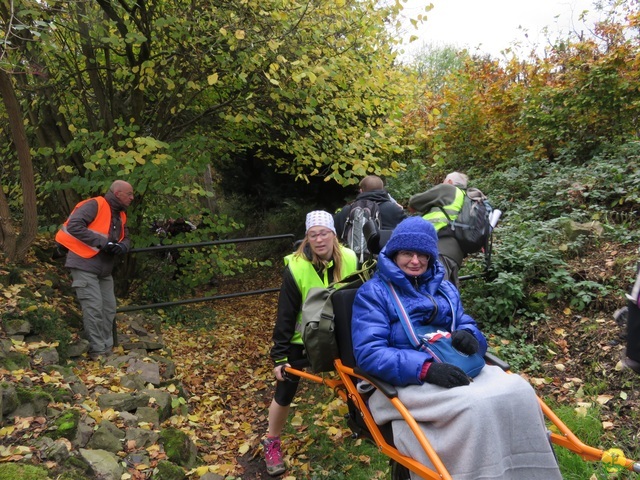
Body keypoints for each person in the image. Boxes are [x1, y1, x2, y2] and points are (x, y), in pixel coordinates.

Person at [351, 217, 562, 480]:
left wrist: (471, 337)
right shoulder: (374, 293)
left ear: (430, 257)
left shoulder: (445, 288)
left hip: (454, 361)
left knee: (520, 390)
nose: (415, 261)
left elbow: (465, 323)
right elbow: (369, 352)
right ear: (395, 253)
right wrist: (426, 370)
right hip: (406, 378)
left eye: (422, 255)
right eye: (407, 253)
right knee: (475, 406)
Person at [263, 210, 358, 476]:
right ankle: (271, 442)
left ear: (333, 235)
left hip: (338, 332)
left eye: (323, 233)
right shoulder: (296, 265)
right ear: (307, 238)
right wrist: (280, 357)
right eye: (313, 235)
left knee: (355, 378)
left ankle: (360, 423)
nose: (319, 239)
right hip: (300, 338)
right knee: (284, 390)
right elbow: (285, 312)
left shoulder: (350, 257)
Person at [55, 180, 134, 361]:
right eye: (129, 194)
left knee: (109, 309)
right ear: (117, 194)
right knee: (94, 308)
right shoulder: (94, 204)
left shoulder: (120, 215)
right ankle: (98, 352)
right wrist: (104, 243)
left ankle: (106, 349)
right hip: (84, 264)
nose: (132, 197)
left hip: (104, 270)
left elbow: (127, 238)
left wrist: (122, 247)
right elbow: (74, 226)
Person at [407, 171, 470, 286]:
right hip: (455, 253)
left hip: (439, 248)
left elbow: (414, 202)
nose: (442, 183)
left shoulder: (448, 189)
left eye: (444, 180)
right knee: (449, 293)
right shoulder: (465, 197)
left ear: (449, 182)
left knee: (435, 291)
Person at [334, 174, 406, 238]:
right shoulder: (394, 209)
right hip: (385, 252)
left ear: (361, 191)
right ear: (383, 190)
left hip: (352, 252)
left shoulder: (347, 210)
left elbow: (334, 232)